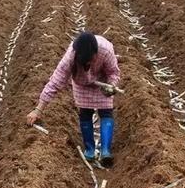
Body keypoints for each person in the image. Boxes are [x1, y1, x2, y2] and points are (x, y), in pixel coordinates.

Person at [26, 31, 121, 166]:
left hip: (102, 82)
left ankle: (105, 151)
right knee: (85, 112)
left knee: (106, 111)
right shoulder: (70, 57)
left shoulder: (106, 50)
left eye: (91, 60)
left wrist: (112, 85)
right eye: (85, 61)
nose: (88, 63)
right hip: (81, 84)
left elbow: (113, 72)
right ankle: (90, 150)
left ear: (96, 53)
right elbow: (55, 82)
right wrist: (38, 109)